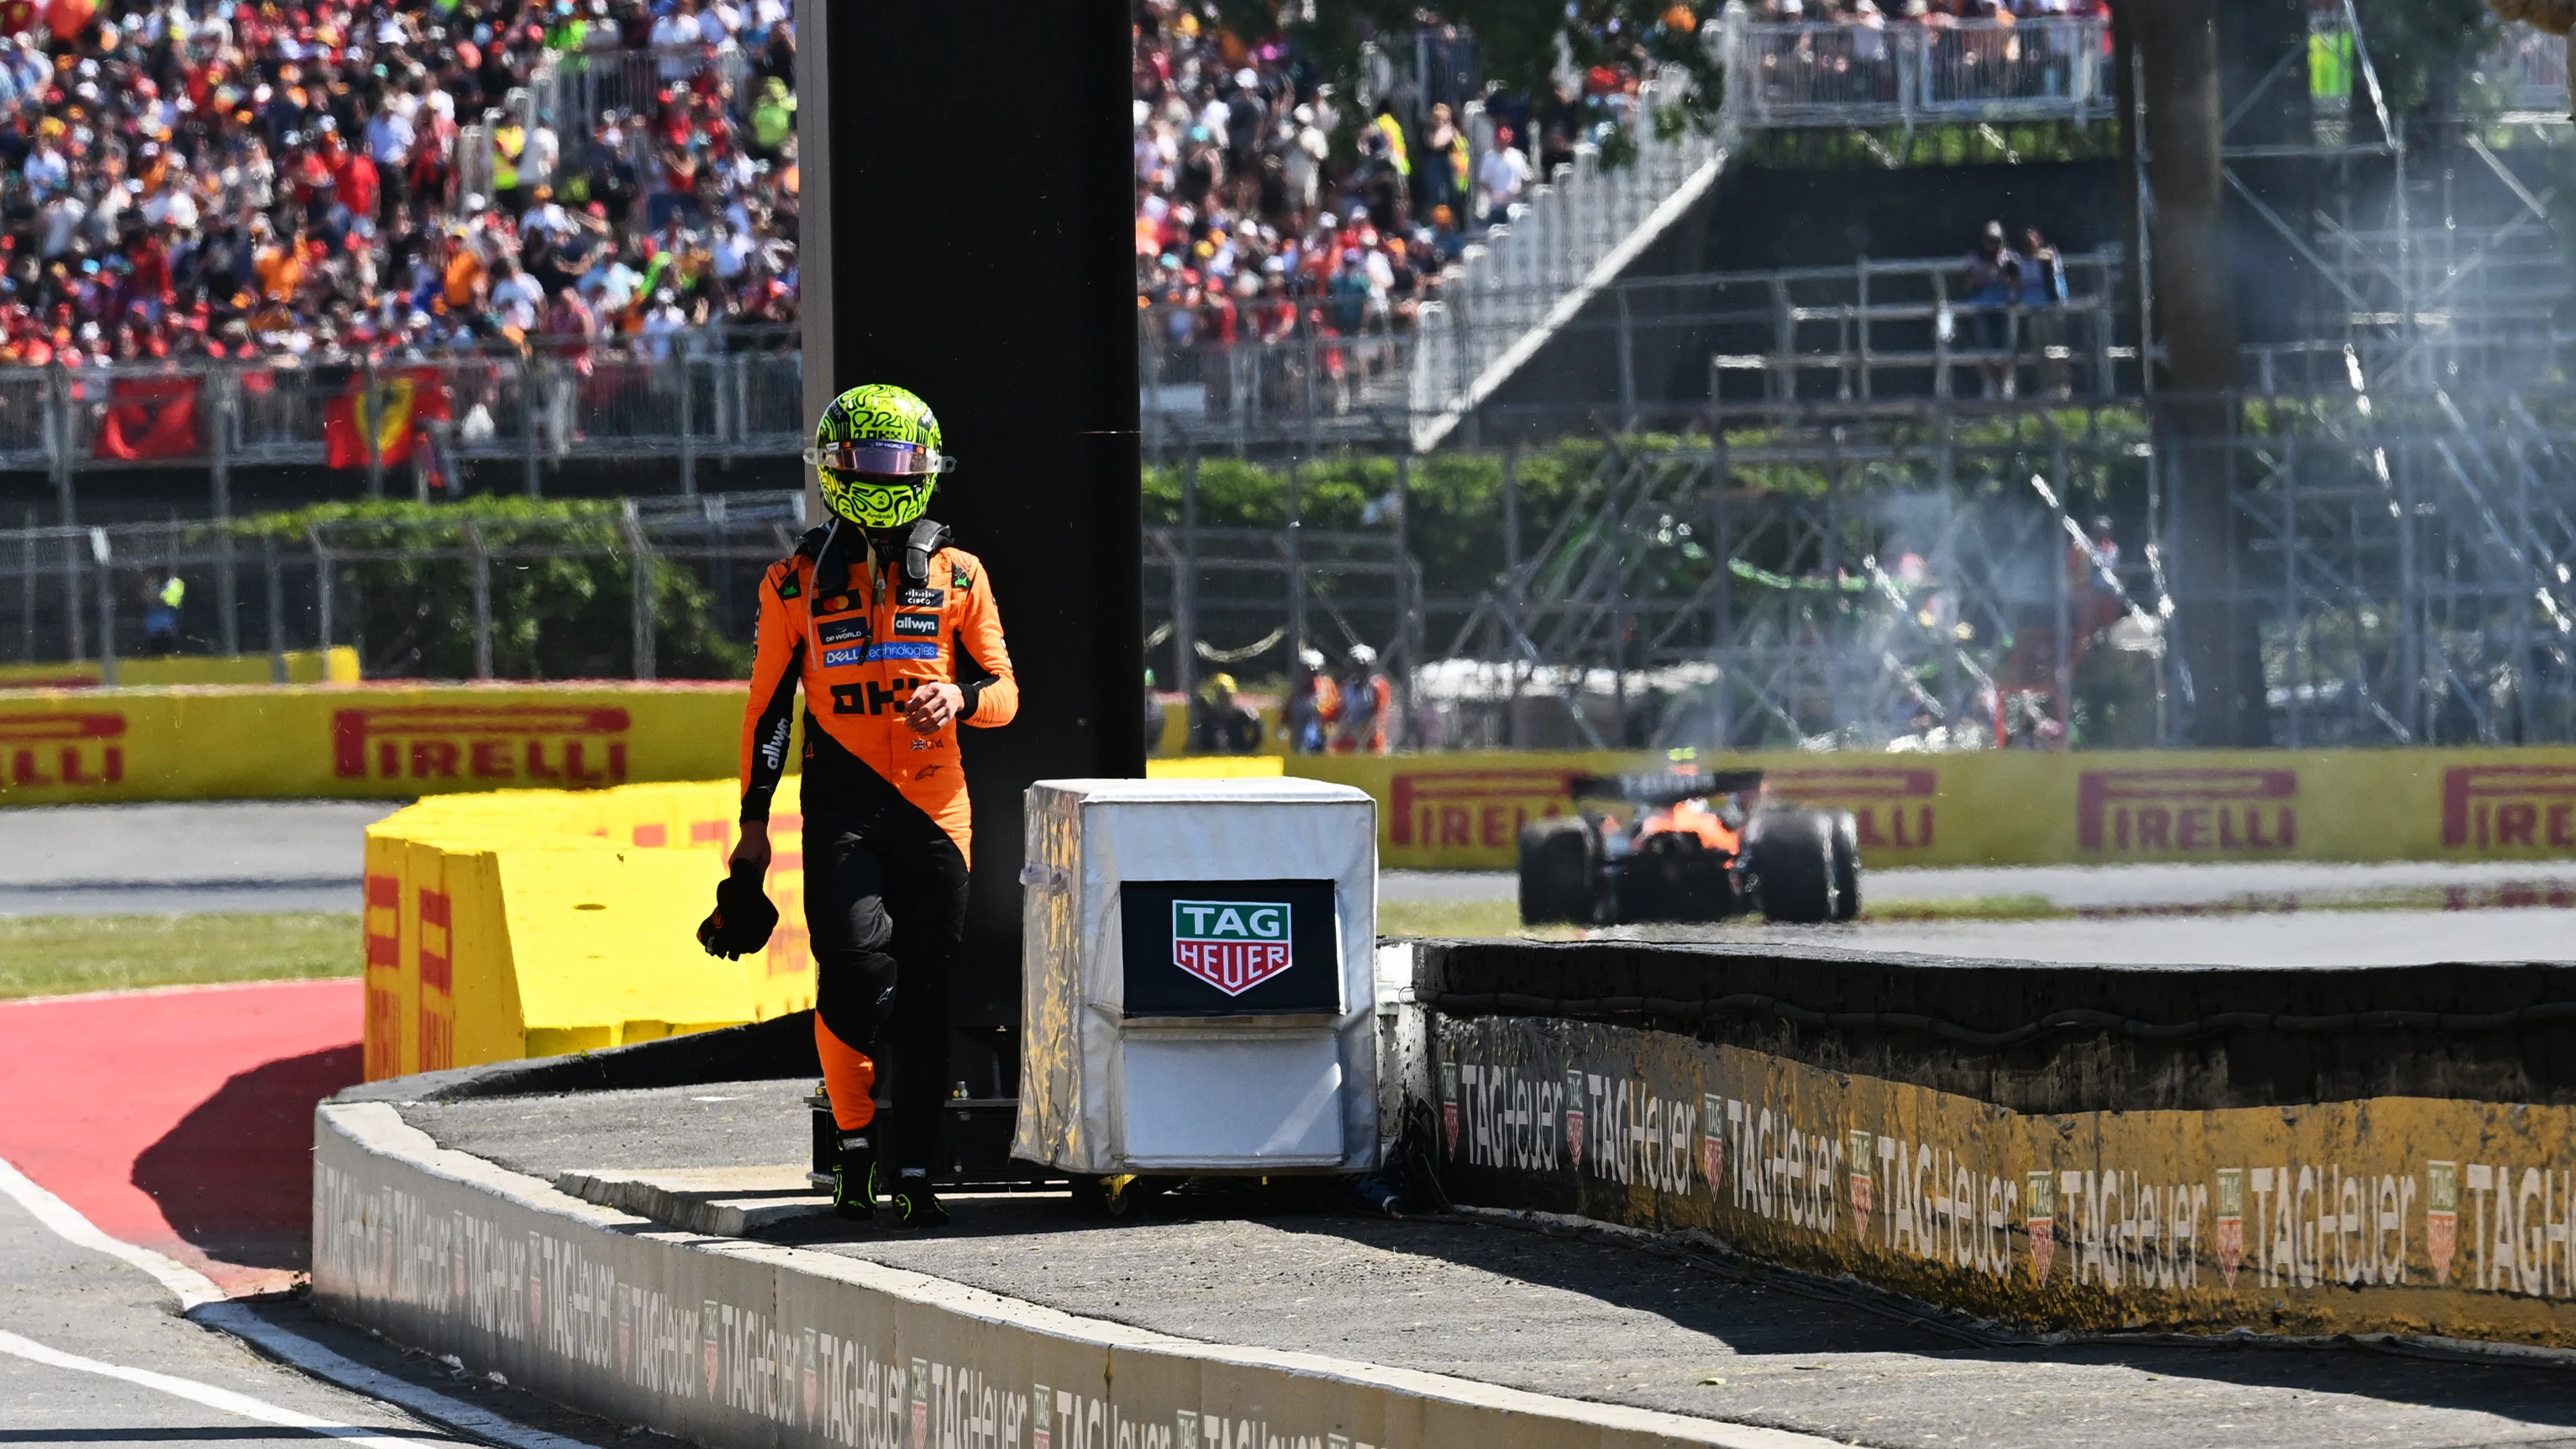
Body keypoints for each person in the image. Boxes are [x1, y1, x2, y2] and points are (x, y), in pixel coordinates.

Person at [731, 383, 1017, 1230]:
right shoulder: (789, 585)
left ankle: (919, 1171)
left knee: (926, 994)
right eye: (874, 461)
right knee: (855, 970)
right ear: (836, 467)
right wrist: (752, 833)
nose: (891, 476)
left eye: (905, 462)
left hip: (939, 812)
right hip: (843, 805)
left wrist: (959, 701)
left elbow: (1005, 693)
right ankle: (856, 1148)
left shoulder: (962, 574)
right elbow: (766, 711)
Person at [1961, 220, 2021, 398]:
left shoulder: (2010, 258)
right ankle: (1988, 385)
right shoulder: (1974, 258)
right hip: (1982, 307)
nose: (1992, 244)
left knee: (2008, 346)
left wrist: (2002, 271)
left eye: (1996, 240)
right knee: (1983, 347)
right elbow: (1968, 283)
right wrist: (1986, 271)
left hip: (2005, 308)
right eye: (1989, 240)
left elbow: (2016, 285)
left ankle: (2006, 385)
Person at [1329, 643, 1392, 753]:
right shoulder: (1346, 687)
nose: (1360, 669)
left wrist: (1362, 735)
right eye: (1356, 665)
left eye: (1364, 666)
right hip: (1347, 742)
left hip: (1370, 744)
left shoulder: (1378, 687)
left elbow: (1379, 716)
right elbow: (1339, 714)